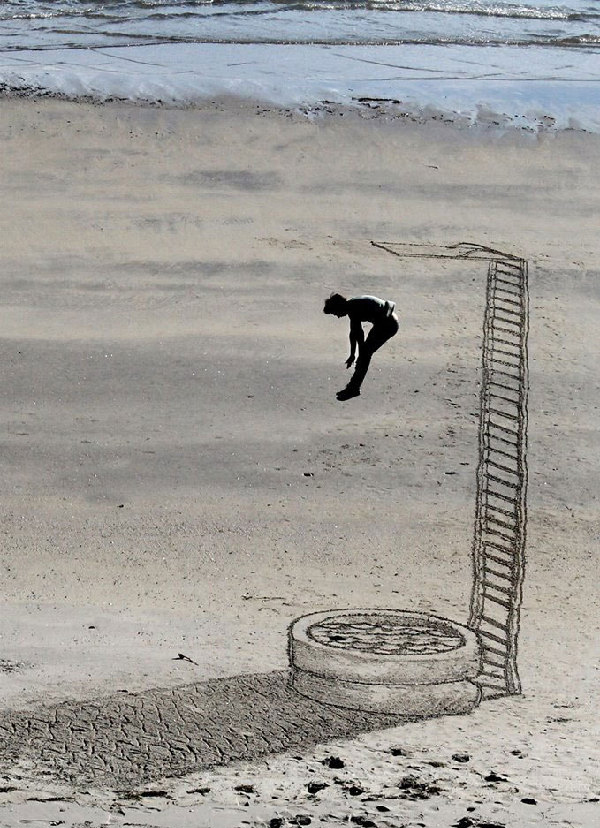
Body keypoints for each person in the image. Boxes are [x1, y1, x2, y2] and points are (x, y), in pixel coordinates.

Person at [323, 292, 399, 401]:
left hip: (388, 325)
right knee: (364, 355)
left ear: (338, 307)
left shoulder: (353, 308)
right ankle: (354, 386)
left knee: (365, 355)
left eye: (335, 313)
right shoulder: (352, 306)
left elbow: (358, 334)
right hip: (386, 323)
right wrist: (353, 354)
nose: (338, 316)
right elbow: (354, 333)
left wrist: (359, 354)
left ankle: (354, 388)